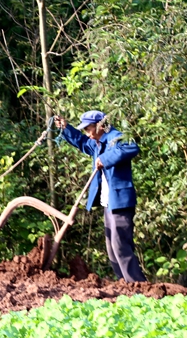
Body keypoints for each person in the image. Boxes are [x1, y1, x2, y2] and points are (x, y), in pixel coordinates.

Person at [54, 110, 147, 283]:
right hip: (108, 203)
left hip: (120, 202)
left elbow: (132, 147)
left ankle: (137, 284)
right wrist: (66, 128)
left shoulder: (116, 137)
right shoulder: (96, 142)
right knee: (112, 248)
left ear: (100, 125)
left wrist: (105, 158)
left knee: (121, 246)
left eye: (89, 129)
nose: (87, 134)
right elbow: (81, 142)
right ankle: (124, 283)